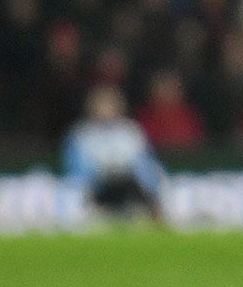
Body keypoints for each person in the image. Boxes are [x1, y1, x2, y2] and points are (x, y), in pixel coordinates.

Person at [62, 84, 166, 221]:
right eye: (101, 105)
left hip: (130, 185)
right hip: (97, 187)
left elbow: (144, 164)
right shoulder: (81, 134)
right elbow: (76, 171)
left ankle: (149, 213)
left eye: (109, 104)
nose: (105, 109)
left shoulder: (130, 131)